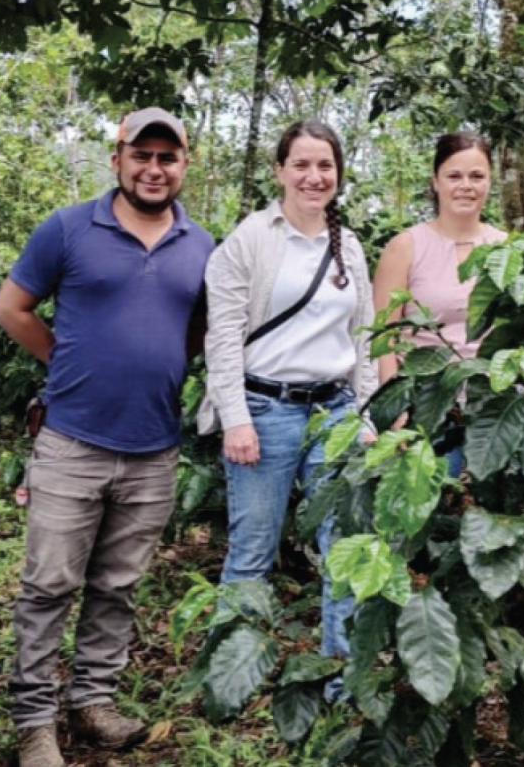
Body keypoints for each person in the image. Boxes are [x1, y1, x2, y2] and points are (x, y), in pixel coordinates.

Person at [0, 109, 213, 767]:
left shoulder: (202, 244)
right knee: (48, 585)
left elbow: (201, 329)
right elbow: (11, 307)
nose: (153, 168)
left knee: (117, 585)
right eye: (140, 154)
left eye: (166, 157)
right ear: (117, 159)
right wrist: (62, 361)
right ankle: (34, 721)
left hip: (154, 445)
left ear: (184, 165)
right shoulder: (67, 228)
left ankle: (93, 702)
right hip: (72, 440)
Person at [200, 120, 377, 664]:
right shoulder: (252, 238)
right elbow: (223, 334)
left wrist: (365, 415)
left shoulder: (348, 245)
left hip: (334, 411)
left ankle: (339, 673)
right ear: (279, 171)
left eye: (325, 165)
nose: (313, 176)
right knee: (253, 550)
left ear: (338, 175)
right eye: (301, 164)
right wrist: (235, 417)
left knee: (344, 549)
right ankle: (231, 670)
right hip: (264, 409)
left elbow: (363, 338)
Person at [373, 131, 507, 385]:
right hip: (424, 398)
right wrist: (394, 406)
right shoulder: (404, 247)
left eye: (477, 177)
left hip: (494, 404)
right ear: (436, 182)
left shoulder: (506, 248)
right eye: (454, 176)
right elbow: (384, 337)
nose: (465, 186)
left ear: (489, 182)